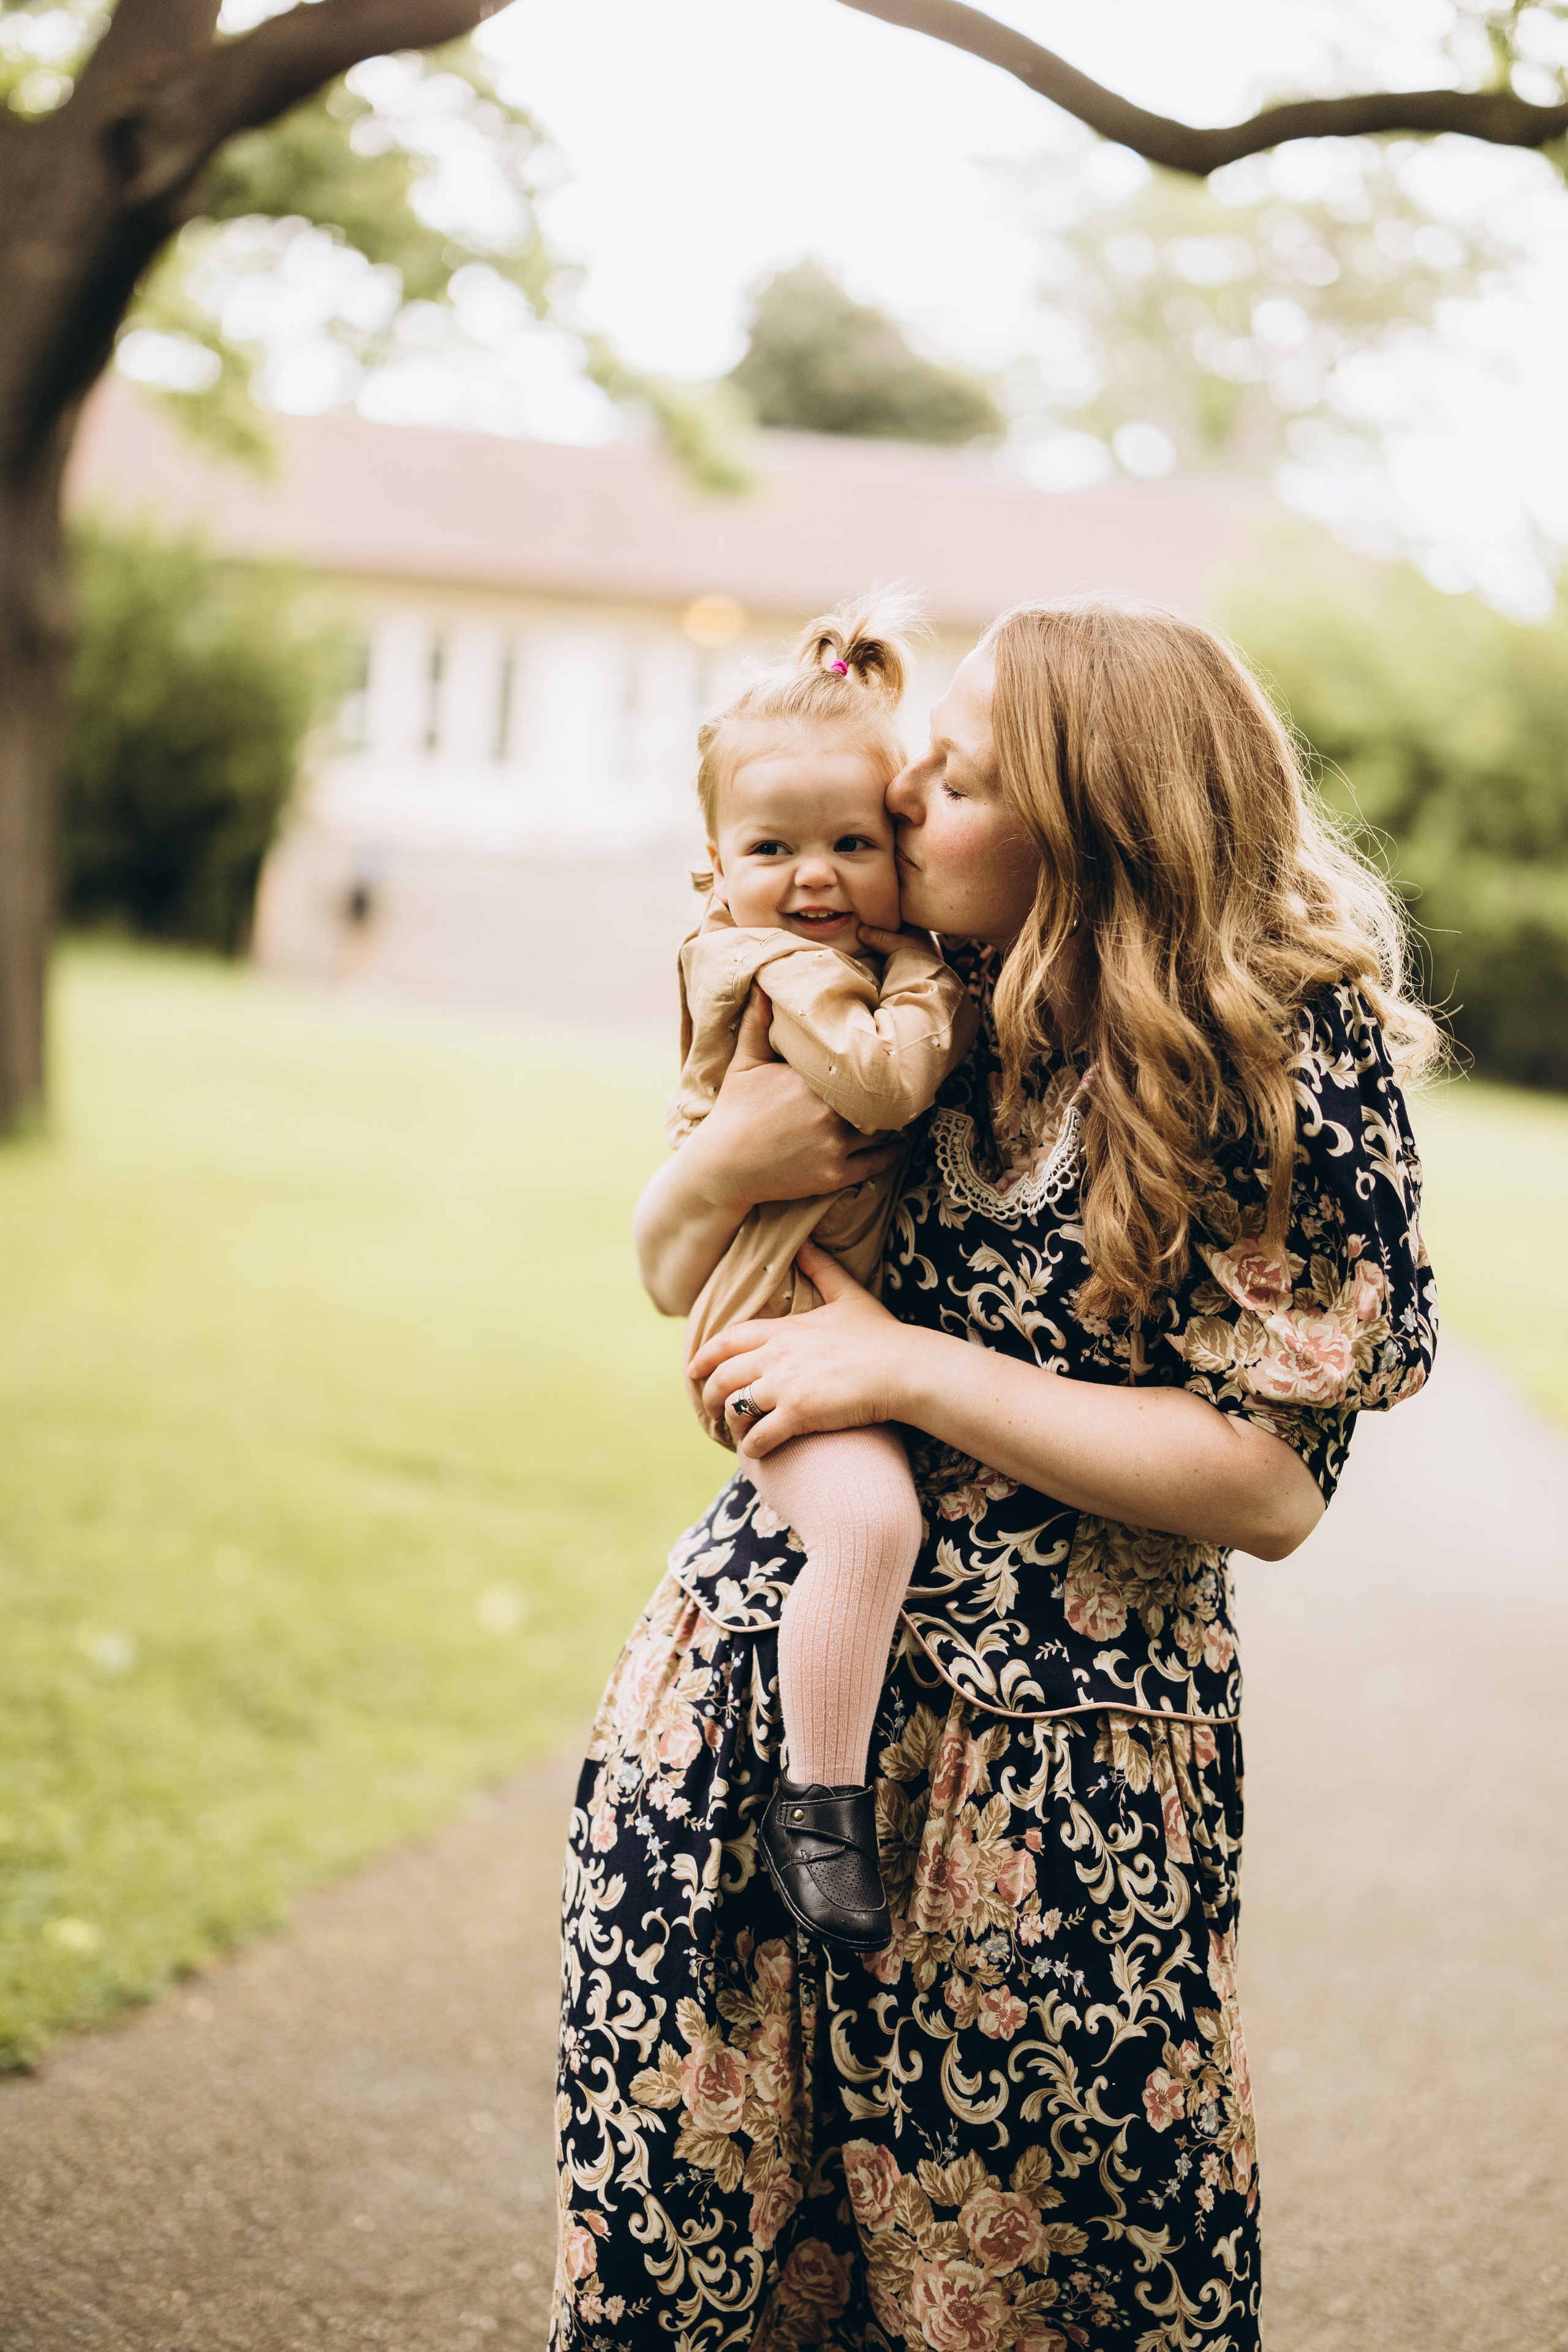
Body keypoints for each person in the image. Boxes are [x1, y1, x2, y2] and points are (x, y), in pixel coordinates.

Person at [552, 596, 1438, 2352]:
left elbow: (1267, 1486)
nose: (890, 827)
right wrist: (709, 1174)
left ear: (1088, 819)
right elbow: (687, 1260)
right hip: (750, 1727)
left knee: (1037, 2299)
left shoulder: (1267, 1049)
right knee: (701, 2275)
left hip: (1057, 1793)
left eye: (938, 792)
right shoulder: (915, 996)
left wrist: (906, 1368)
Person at [671, 594, 978, 1954]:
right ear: (712, 865)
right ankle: (819, 1806)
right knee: (870, 1529)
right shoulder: (783, 967)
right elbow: (884, 1083)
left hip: (817, 1300)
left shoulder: (827, 950)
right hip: (773, 1319)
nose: (812, 878)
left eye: (852, 843)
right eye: (769, 847)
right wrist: (925, 976)